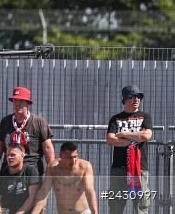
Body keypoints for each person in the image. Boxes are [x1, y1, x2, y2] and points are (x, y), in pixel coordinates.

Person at [105, 85, 152, 214]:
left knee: (141, 207)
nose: (137, 99)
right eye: (133, 96)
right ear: (125, 100)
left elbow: (145, 136)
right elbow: (110, 140)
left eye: (139, 97)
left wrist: (123, 134)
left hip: (139, 169)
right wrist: (135, 138)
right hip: (119, 169)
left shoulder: (145, 117)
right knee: (116, 206)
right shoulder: (116, 119)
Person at [0, 88, 54, 176]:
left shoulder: (39, 122)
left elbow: (48, 148)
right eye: (15, 100)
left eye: (21, 101)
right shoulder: (6, 121)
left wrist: (52, 173)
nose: (17, 104)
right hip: (8, 171)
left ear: (28, 103)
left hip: (31, 171)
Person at [29, 142, 98, 214]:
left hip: (82, 212)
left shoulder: (85, 167)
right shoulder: (53, 168)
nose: (73, 161)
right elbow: (43, 193)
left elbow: (89, 191)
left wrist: (95, 212)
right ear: (61, 156)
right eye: (70, 157)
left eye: (75, 156)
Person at [0, 144, 39, 214]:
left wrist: (19, 213)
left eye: (13, 155)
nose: (9, 157)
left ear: (22, 155)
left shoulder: (30, 171)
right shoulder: (2, 173)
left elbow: (32, 198)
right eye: (7, 155)